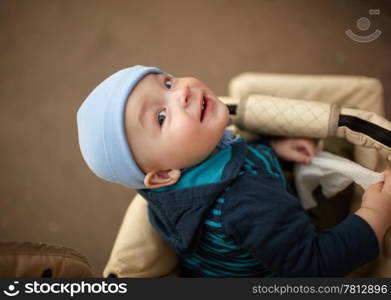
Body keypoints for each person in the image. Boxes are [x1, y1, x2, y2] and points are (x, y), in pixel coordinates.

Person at [77, 65, 391, 277]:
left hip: (242, 248)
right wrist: (374, 214)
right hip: (284, 265)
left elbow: (236, 152)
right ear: (162, 175)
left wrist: (274, 150)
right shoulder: (247, 203)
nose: (180, 93)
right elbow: (312, 265)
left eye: (168, 83)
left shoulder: (180, 173)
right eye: (161, 117)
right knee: (341, 162)